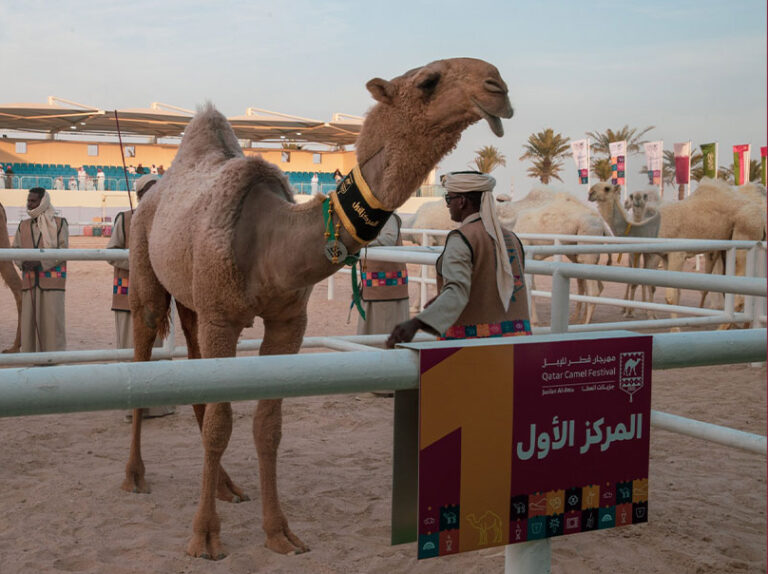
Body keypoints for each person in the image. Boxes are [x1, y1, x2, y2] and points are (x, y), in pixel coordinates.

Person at [387, 171, 530, 347]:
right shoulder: (511, 239)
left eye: (449, 199)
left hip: (474, 348)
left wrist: (415, 323)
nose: (448, 206)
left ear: (462, 202)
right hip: (518, 343)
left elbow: (457, 290)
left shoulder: (461, 238)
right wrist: (441, 300)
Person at [107, 174, 175, 419]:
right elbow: (111, 252)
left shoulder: (169, 221)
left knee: (158, 351)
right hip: (128, 294)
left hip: (160, 298)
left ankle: (157, 405)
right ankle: (132, 405)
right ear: (140, 194)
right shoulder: (125, 219)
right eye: (150, 191)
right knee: (130, 349)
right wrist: (140, 260)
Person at [12, 187, 69, 352]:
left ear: (43, 202)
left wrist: (41, 262)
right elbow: (15, 249)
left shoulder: (59, 224)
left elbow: (63, 251)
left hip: (53, 284)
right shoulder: (23, 225)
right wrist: (23, 262)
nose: (29, 204)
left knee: (52, 325)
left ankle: (54, 364)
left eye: (33, 201)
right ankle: (32, 364)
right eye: (28, 201)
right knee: (29, 324)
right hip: (29, 282)